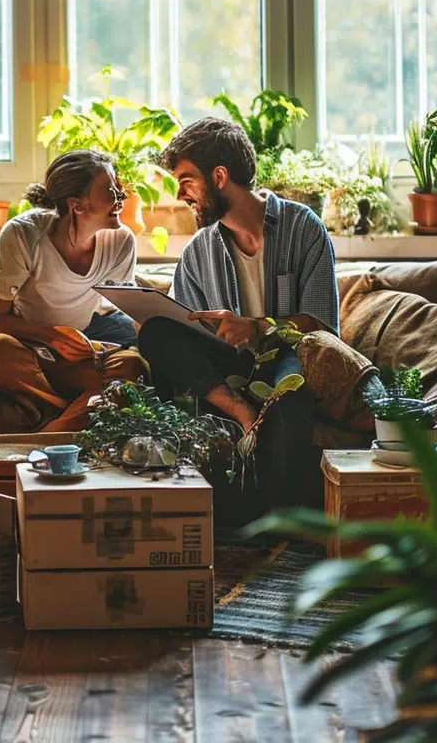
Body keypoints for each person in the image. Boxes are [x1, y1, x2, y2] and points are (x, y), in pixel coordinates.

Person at [138, 117, 338, 513]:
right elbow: (184, 328)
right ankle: (239, 410)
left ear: (219, 175)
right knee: (155, 333)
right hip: (226, 372)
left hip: (288, 356)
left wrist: (258, 328)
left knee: (291, 390)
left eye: (186, 179)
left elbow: (321, 325)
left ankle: (274, 523)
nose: (181, 194)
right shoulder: (199, 251)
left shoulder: (304, 228)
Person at [0, 149, 149, 431]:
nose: (121, 196)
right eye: (110, 190)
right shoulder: (23, 235)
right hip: (25, 351)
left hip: (75, 360)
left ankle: (45, 431)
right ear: (77, 206)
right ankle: (66, 425)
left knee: (131, 367)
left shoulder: (121, 241)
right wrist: (51, 336)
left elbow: (127, 309)